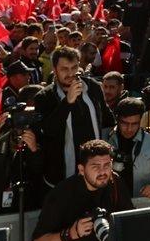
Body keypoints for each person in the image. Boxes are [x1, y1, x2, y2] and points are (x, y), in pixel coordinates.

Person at [30, 139, 133, 241]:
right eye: (95, 166)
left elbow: (130, 221)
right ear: (81, 169)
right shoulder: (62, 194)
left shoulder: (115, 183)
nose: (103, 172)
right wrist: (70, 234)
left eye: (107, 165)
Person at [32, 47, 115, 189]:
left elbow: (107, 119)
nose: (70, 73)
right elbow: (48, 131)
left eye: (74, 67)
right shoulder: (44, 97)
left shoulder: (93, 87)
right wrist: (67, 103)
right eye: (64, 69)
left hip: (95, 172)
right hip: (62, 175)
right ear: (54, 69)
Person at [106, 98, 150, 201]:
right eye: (124, 123)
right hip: (112, 201)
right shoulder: (105, 139)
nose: (129, 129)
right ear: (117, 119)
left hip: (141, 202)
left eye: (134, 124)